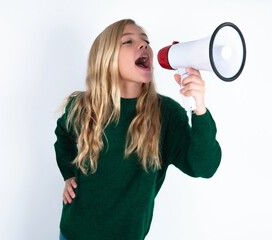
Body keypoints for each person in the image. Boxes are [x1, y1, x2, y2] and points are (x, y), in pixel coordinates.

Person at [54, 19, 221, 240]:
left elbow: (204, 167)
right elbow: (63, 135)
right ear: (107, 57)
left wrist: (199, 108)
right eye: (128, 41)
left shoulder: (166, 115)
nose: (143, 45)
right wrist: (68, 174)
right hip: (74, 233)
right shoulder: (83, 107)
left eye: (146, 40)